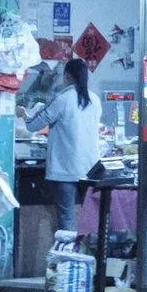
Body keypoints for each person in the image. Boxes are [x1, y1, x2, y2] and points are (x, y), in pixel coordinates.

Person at [26, 56, 105, 233]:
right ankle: (89, 257)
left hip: (66, 170)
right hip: (91, 169)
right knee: (90, 219)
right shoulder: (95, 100)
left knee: (67, 219)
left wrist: (26, 113)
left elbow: (33, 125)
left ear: (67, 76)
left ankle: (68, 257)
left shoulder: (62, 99)